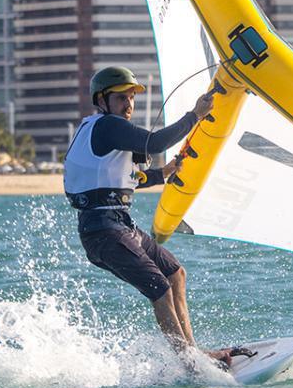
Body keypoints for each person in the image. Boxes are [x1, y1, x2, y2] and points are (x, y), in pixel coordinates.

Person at [63, 66, 231, 368]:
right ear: (102, 100)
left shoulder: (100, 131)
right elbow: (156, 144)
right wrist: (195, 115)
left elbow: (126, 179)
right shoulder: (106, 126)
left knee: (175, 274)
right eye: (121, 98)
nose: (128, 105)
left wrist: (161, 175)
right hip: (104, 231)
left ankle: (191, 351)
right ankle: (189, 363)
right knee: (160, 288)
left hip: (119, 226)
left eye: (131, 98)